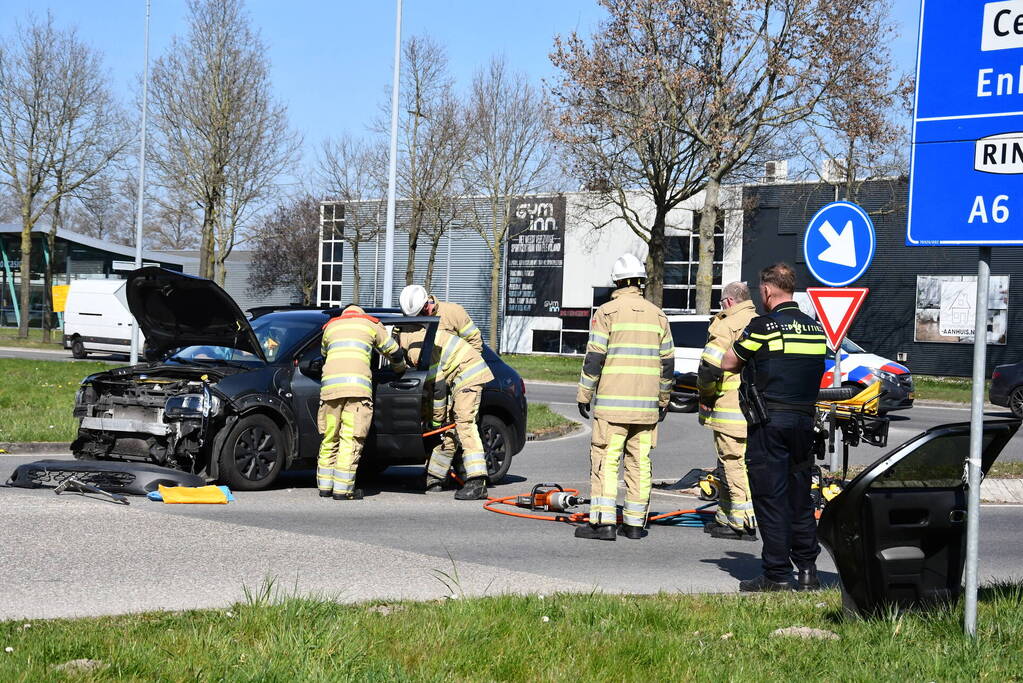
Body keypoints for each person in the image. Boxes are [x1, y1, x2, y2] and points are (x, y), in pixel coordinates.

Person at [720, 263, 827, 591]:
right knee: (801, 497)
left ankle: (777, 574)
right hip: (805, 423)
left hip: (770, 423)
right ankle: (807, 570)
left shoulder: (763, 326)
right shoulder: (815, 329)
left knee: (771, 497)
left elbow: (728, 361)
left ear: (767, 291)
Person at [575, 253, 675, 541]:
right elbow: (667, 364)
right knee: (640, 464)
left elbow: (594, 359)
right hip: (646, 410)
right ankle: (634, 524)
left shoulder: (607, 312)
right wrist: (663, 399)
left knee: (606, 461)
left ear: (616, 281)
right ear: (641, 281)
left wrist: (584, 394)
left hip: (612, 409)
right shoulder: (659, 315)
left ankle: (604, 523)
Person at [317, 304, 406, 501]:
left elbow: (324, 355)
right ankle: (343, 489)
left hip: (330, 391)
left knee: (330, 437)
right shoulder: (370, 324)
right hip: (357, 392)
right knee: (350, 438)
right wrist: (400, 370)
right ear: (361, 313)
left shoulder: (330, 327)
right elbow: (394, 352)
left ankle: (325, 486)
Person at [399, 327, 494, 500]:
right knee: (451, 430)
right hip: (458, 378)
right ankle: (434, 478)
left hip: (468, 376)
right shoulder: (415, 337)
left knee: (465, 425)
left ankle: (478, 481)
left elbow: (438, 387)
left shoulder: (414, 349)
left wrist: (437, 420)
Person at [698, 281, 758, 540]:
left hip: (729, 407)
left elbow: (710, 368)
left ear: (730, 302)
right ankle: (725, 514)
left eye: (722, 303)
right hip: (755, 408)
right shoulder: (759, 321)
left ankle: (742, 522)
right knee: (731, 462)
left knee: (732, 463)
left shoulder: (726, 324)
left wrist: (706, 395)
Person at [399, 284, 483, 353]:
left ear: (425, 307)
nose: (414, 321)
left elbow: (474, 340)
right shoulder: (407, 322)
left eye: (417, 315)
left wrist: (467, 366)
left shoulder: (453, 312)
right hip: (419, 372)